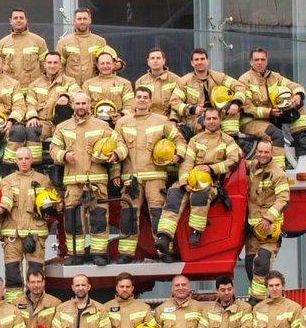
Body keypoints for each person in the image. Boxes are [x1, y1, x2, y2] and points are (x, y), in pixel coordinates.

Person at [155, 106, 242, 255]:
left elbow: (233, 161)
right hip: (191, 177)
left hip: (212, 181)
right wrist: (184, 183)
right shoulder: (195, 140)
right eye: (208, 119)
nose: (211, 121)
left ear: (220, 120)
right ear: (204, 121)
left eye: (215, 118)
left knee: (200, 194)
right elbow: (186, 163)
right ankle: (164, 236)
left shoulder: (228, 140)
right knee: (174, 193)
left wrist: (212, 168)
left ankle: (196, 230)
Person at [113, 86, 183, 262]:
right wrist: (115, 173)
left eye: (145, 97)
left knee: (158, 215)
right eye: (139, 97)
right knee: (128, 215)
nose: (142, 100)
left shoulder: (162, 121)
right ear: (134, 100)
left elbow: (179, 140)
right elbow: (116, 147)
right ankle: (126, 253)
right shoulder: (122, 122)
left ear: (151, 101)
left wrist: (178, 155)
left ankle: (164, 252)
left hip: (155, 177)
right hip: (131, 178)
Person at [51, 92, 114, 265]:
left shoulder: (102, 126)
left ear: (90, 104)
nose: (80, 107)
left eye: (83, 103)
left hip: (96, 181)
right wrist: (64, 155)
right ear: (72, 105)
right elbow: (53, 149)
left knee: (99, 219)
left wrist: (114, 155)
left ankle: (99, 254)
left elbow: (118, 145)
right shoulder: (62, 127)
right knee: (73, 221)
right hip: (73, 183)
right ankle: (75, 255)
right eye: (77, 103)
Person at [236, 47, 306, 165]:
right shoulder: (245, 79)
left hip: (272, 116)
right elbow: (247, 108)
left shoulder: (274, 76)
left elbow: (293, 85)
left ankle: (301, 143)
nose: (260, 62)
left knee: (299, 105)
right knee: (276, 135)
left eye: (262, 59)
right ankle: (278, 168)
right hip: (251, 121)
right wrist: (269, 112)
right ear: (251, 62)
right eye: (256, 60)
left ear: (267, 61)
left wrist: (298, 95)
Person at [0, 148, 55, 292]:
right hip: (12, 234)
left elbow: (52, 207)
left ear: (32, 160)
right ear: (15, 161)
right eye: (20, 159)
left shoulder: (43, 180)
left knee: (36, 274)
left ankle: (36, 303)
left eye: (27, 158)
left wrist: (55, 206)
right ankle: (15, 303)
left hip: (35, 234)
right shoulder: (6, 181)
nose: (23, 162)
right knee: (12, 274)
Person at [244, 139, 290, 301]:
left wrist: (269, 218)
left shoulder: (278, 173)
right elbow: (241, 164)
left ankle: (257, 300)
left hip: (269, 229)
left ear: (271, 153)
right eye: (260, 151)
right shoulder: (253, 166)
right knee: (250, 265)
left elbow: (283, 198)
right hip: (252, 228)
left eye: (266, 152)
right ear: (256, 152)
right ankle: (260, 297)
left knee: (262, 262)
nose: (263, 155)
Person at [21, 52, 79, 163]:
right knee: (31, 131)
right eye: (49, 62)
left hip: (62, 123)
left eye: (55, 62)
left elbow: (78, 94)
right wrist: (32, 117)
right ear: (44, 64)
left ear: (60, 65)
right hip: (43, 123)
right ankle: (35, 166)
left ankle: (61, 166)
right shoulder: (34, 84)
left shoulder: (69, 81)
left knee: (68, 138)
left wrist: (67, 96)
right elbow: (30, 104)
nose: (52, 65)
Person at [176, 47, 242, 139]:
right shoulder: (184, 81)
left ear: (207, 61)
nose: (200, 62)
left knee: (233, 112)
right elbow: (175, 103)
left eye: (202, 59)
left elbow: (239, 87)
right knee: (204, 121)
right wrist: (192, 109)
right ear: (192, 63)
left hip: (218, 113)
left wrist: (236, 103)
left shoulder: (219, 77)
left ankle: (231, 140)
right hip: (195, 118)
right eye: (196, 60)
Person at [0, 8, 49, 85]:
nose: (18, 20)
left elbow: (45, 67)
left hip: (32, 89)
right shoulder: (2, 43)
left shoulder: (39, 41)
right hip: (10, 88)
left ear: (26, 20)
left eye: (21, 18)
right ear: (10, 21)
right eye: (15, 18)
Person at [55, 7, 106, 85]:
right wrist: (65, 84)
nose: (82, 22)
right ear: (74, 21)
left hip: (94, 87)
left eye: (85, 19)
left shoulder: (100, 41)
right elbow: (58, 67)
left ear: (90, 20)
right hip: (71, 87)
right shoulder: (63, 42)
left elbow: (108, 63)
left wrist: (119, 64)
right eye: (79, 19)